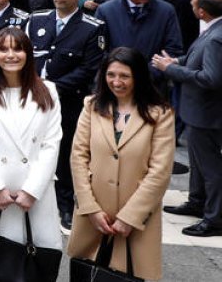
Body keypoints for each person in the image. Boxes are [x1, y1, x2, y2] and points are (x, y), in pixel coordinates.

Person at [67, 47, 175, 279]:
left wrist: (130, 216)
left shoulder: (160, 114)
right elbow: (78, 156)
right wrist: (90, 207)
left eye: (125, 76)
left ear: (139, 76)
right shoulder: (91, 106)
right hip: (94, 216)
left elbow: (160, 171)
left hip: (136, 219)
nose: (117, 82)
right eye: (111, 75)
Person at [0, 28, 63, 262]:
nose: (11, 55)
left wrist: (31, 190)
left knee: (31, 262)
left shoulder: (48, 91)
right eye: (3, 49)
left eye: (17, 49)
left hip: (34, 192)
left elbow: (51, 143)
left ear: (28, 54)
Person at [28, 0, 107, 229]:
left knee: (66, 155)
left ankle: (64, 204)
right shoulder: (37, 19)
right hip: (31, 99)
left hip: (68, 101)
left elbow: (90, 68)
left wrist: (52, 87)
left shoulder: (91, 28)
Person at [153, 0, 222, 237]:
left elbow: (210, 78)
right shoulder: (212, 31)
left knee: (211, 168)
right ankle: (197, 202)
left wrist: (170, 70)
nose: (190, 6)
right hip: (200, 113)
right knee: (198, 162)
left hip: (207, 115)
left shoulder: (216, 37)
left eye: (193, 4)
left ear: (201, 11)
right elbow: (196, 57)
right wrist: (176, 62)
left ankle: (214, 218)